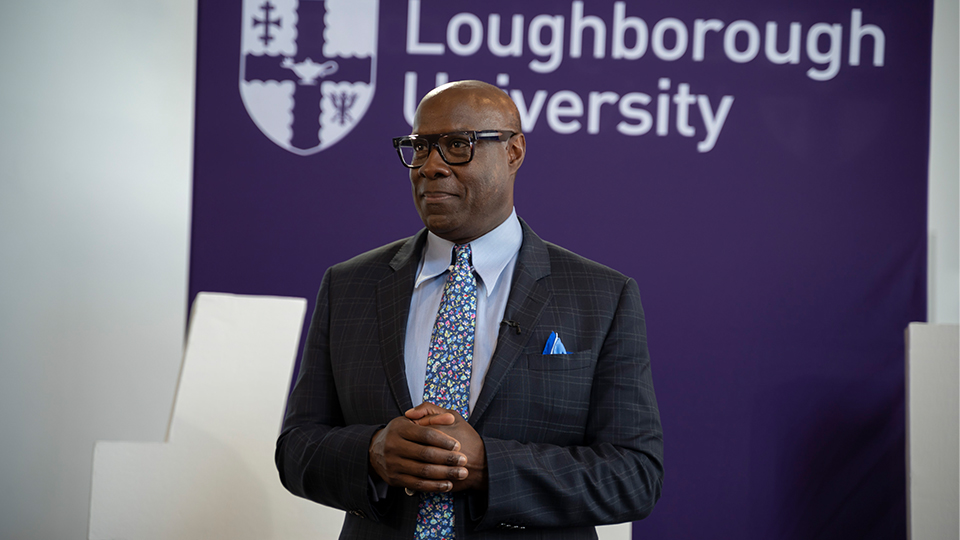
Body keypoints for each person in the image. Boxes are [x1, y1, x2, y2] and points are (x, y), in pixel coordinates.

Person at [276, 80, 663, 539]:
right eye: (420, 147)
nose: (432, 167)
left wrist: (488, 467)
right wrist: (373, 453)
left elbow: (635, 476)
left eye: (458, 145)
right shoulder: (349, 286)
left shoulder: (601, 295)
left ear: (514, 152)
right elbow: (297, 449)